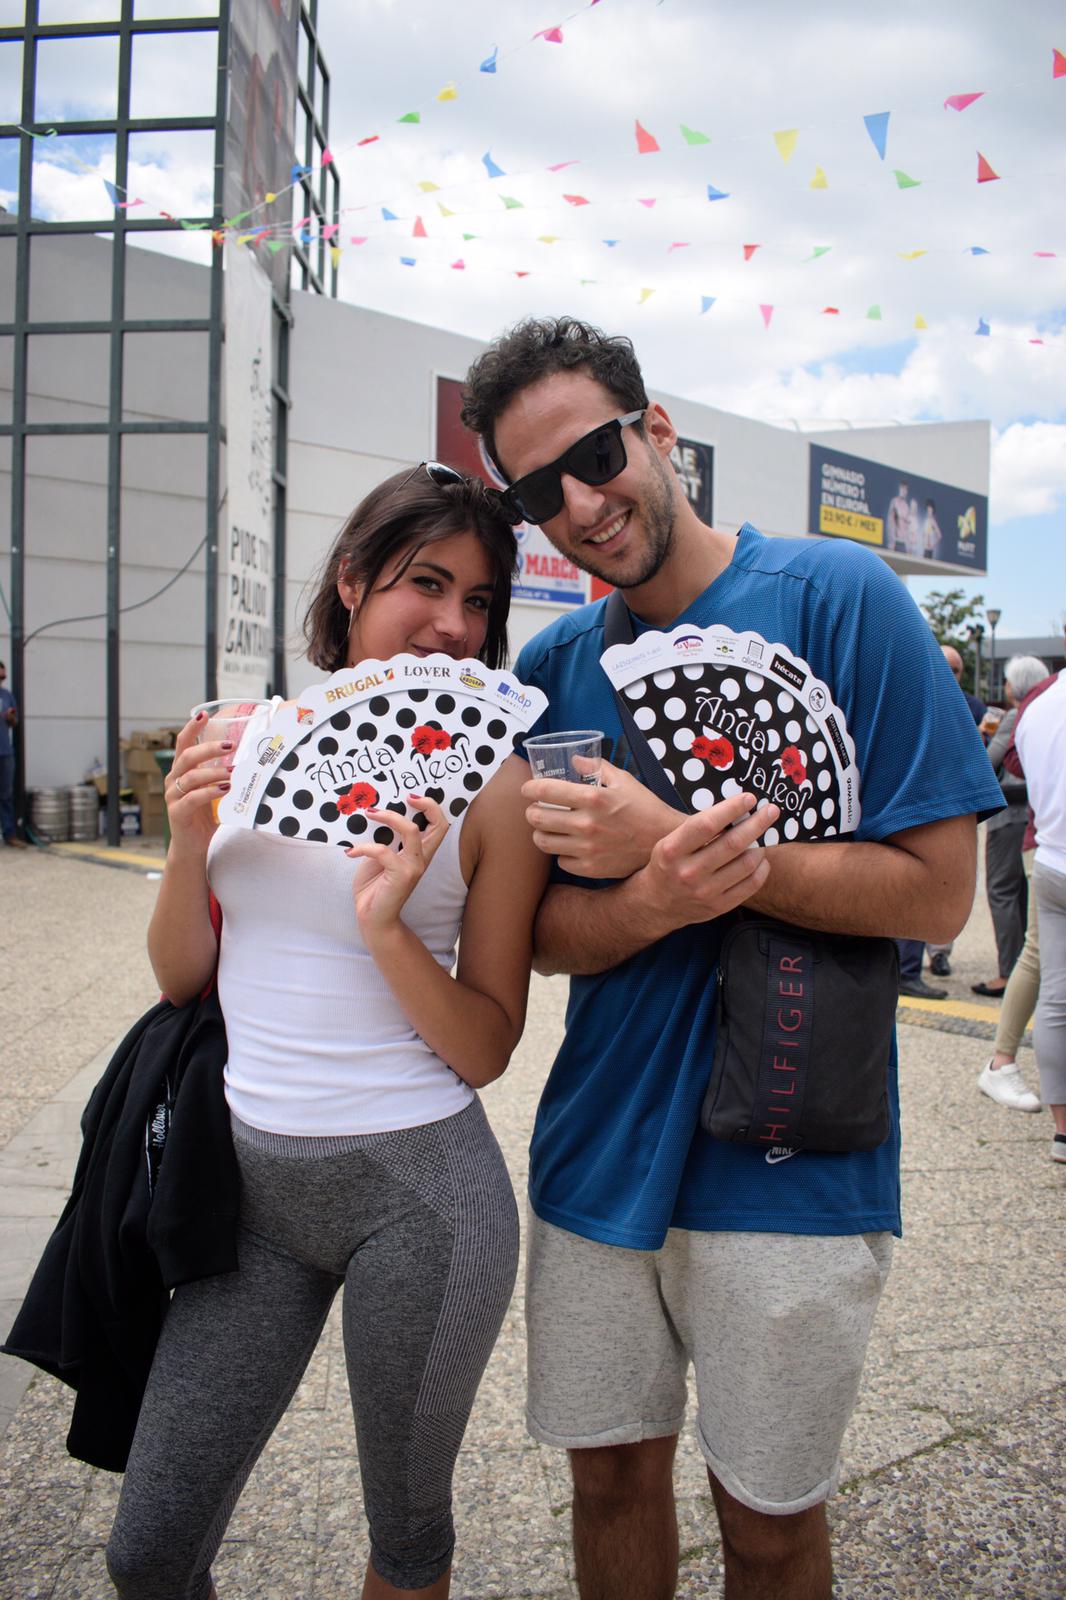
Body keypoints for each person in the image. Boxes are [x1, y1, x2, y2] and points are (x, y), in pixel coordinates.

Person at [460, 316, 1004, 1600]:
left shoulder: (839, 597)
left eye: (599, 454)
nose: (584, 505)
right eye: (542, 489)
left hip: (790, 1152)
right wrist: (650, 896)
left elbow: (933, 897)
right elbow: (536, 938)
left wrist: (690, 851)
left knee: (766, 1521)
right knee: (606, 1486)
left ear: (658, 431)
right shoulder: (551, 668)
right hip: (598, 1151)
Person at [105, 465, 549, 1600]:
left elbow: (489, 1044)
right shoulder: (234, 736)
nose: (454, 623)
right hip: (245, 1190)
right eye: (426, 582)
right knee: (148, 1551)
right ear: (352, 580)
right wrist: (188, 836)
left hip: (422, 1196)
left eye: (482, 600)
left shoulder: (492, 785)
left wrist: (389, 926)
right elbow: (180, 973)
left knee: (405, 1537)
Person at [969, 655, 1047, 1003]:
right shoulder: (1048, 712)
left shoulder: (1015, 716)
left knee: (1001, 890)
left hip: (1006, 815)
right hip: (1034, 815)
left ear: (1014, 686)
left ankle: (1008, 972)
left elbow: (987, 763)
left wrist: (977, 739)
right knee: (1025, 895)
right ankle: (1029, 970)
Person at [1014, 667, 1066, 1161]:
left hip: (1049, 857)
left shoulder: (1039, 705)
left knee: (1054, 995)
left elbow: (1020, 767)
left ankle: (1062, 1129)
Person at [925, 642, 988, 978]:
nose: (950, 676)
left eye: (956, 670)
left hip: (956, 804)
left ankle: (938, 955)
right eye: (944, 667)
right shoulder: (917, 699)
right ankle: (908, 966)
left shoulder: (974, 708)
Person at [0, 660, 26, 848]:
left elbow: (14, 722)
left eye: (3, 677)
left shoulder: (7, 696)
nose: (1, 679)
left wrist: (10, 718)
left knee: (6, 794)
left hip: (5, 751)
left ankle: (9, 833)